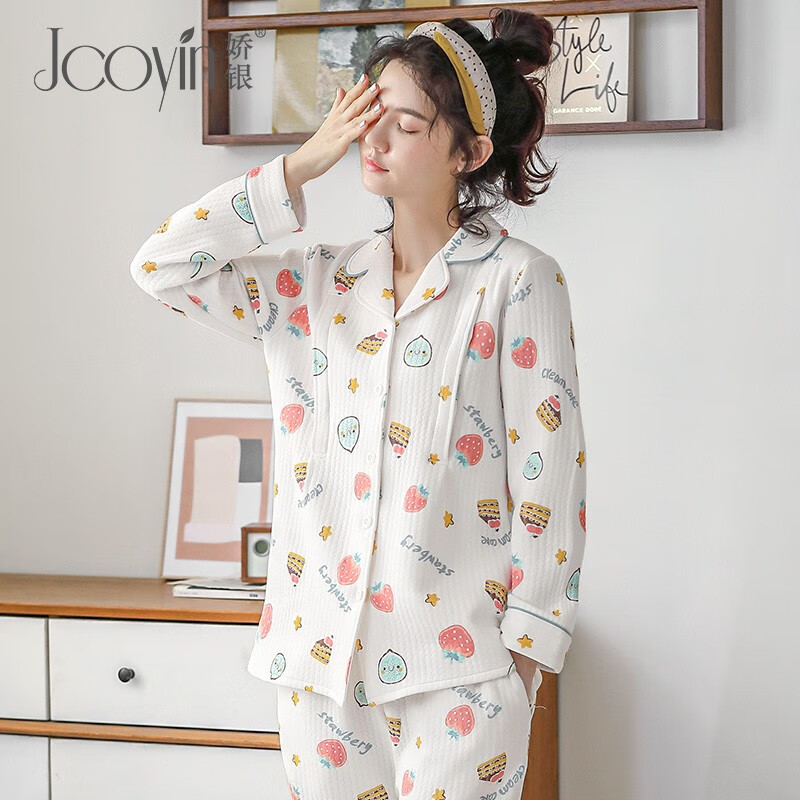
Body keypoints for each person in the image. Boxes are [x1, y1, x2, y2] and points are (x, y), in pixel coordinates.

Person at [129, 8, 588, 799]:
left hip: (460, 669)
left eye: (404, 123)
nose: (372, 138)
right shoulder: (312, 285)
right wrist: (299, 166)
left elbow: (552, 477)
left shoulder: (517, 280)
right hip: (318, 664)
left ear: (469, 153)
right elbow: (160, 268)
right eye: (367, 112)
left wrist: (527, 655)